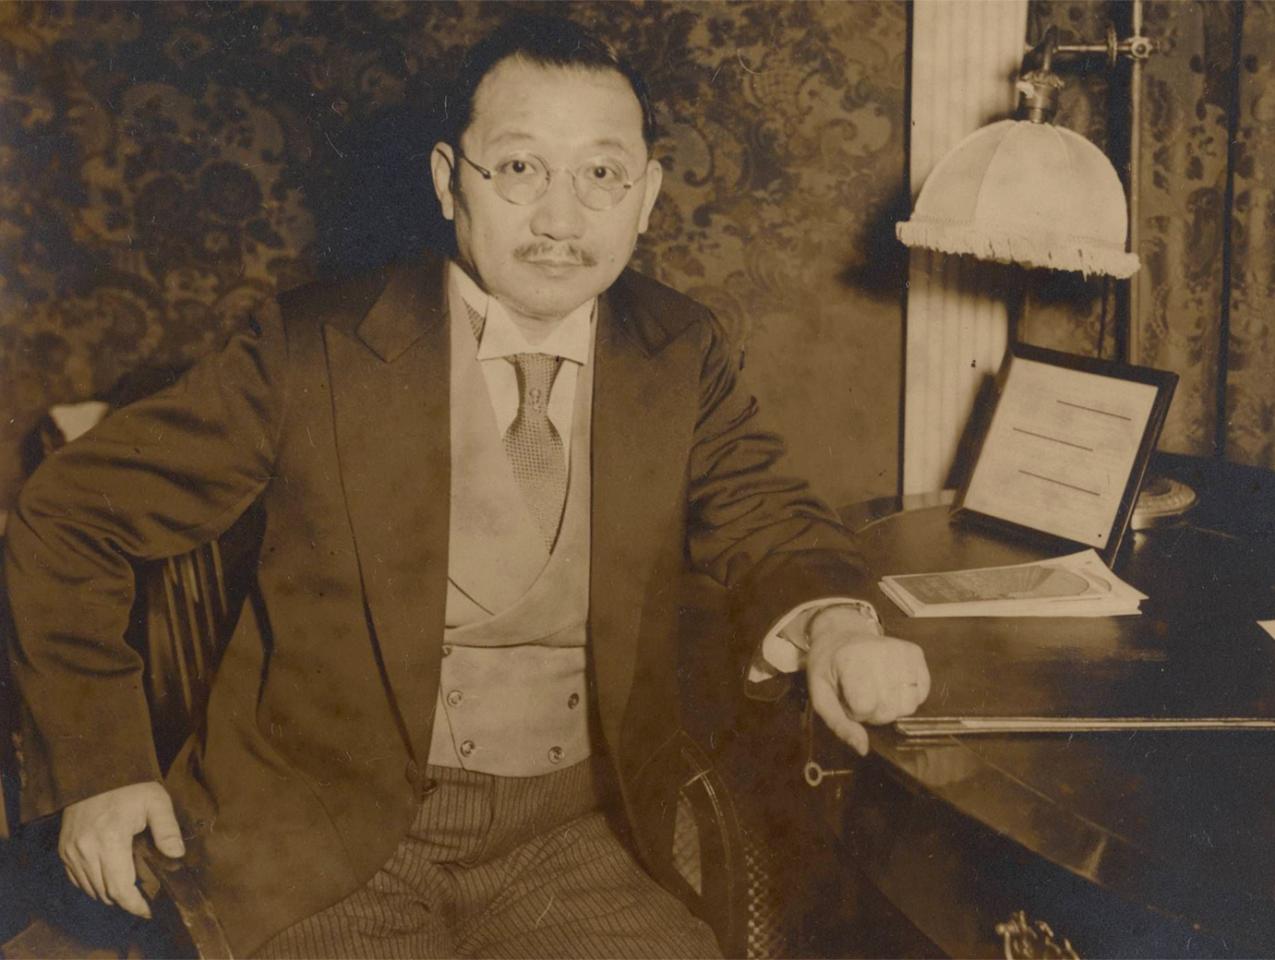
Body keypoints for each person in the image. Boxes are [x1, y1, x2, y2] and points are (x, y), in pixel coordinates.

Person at [5, 14, 929, 959]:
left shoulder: (678, 351)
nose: (561, 220)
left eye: (601, 175)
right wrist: (101, 767)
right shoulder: (311, 351)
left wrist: (836, 623)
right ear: (451, 179)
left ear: (646, 196)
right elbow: (67, 519)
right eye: (521, 169)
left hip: (576, 838)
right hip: (324, 842)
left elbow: (769, 517)